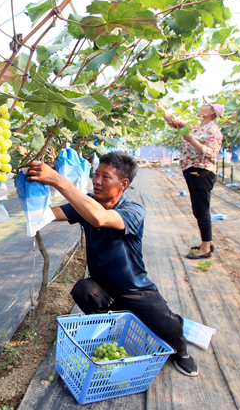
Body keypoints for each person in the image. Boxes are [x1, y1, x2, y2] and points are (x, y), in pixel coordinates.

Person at [26, 151, 198, 377]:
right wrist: (28, 194)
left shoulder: (133, 211)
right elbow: (48, 215)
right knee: (83, 289)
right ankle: (111, 328)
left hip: (135, 289)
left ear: (123, 184)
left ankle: (181, 352)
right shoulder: (87, 203)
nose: (97, 181)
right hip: (103, 286)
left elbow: (99, 218)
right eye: (96, 175)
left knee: (170, 328)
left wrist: (58, 180)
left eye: (105, 177)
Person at [158, 102, 224, 259]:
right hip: (192, 170)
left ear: (212, 112)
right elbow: (174, 121)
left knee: (201, 209)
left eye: (206, 105)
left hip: (202, 172)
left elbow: (212, 154)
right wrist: (159, 106)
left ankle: (206, 248)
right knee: (198, 208)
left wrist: (192, 140)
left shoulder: (213, 131)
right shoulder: (194, 126)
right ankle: (206, 242)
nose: (201, 106)